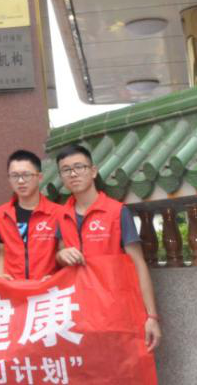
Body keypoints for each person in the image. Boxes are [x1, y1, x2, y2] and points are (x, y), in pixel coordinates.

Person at [54, 144, 162, 351]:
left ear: (93, 171)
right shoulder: (60, 215)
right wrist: (61, 255)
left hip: (116, 311)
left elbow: (138, 264)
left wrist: (152, 316)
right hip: (77, 315)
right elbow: (59, 256)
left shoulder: (117, 212)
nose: (73, 174)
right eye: (66, 170)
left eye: (79, 167)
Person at [0, 149, 63, 281]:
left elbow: (63, 253)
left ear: (39, 177)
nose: (20, 181)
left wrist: (56, 278)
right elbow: (2, 252)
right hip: (13, 287)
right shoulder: (1, 213)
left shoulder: (57, 213)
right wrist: (0, 276)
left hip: (46, 286)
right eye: (14, 176)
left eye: (26, 175)